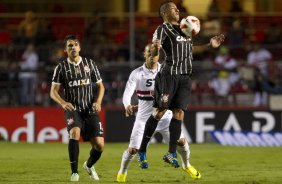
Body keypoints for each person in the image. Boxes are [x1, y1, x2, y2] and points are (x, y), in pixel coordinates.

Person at [137, 0, 225, 169]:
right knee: (159, 112)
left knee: (179, 114)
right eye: (172, 8)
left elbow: (190, 48)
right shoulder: (162, 29)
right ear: (164, 13)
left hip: (185, 77)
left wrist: (209, 44)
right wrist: (155, 48)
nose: (177, 10)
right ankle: (142, 150)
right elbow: (156, 49)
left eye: (177, 8)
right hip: (170, 75)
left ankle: (171, 153)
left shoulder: (184, 28)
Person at [116, 44, 201, 182]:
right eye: (149, 52)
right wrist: (127, 105)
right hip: (143, 120)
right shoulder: (136, 73)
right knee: (133, 150)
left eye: (155, 53)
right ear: (144, 54)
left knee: (182, 142)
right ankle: (122, 172)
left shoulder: (166, 71)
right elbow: (127, 94)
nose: (152, 55)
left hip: (165, 117)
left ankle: (187, 165)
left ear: (159, 55)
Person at [50, 35, 105, 182]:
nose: (73, 47)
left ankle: (88, 165)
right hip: (72, 108)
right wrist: (62, 103)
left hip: (90, 108)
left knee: (99, 145)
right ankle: (74, 173)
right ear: (65, 50)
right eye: (69, 45)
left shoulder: (89, 63)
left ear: (79, 48)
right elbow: (53, 91)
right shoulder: (61, 68)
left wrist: (98, 102)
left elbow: (101, 86)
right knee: (74, 133)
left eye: (75, 45)